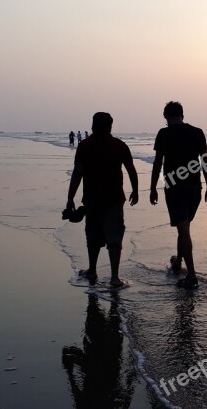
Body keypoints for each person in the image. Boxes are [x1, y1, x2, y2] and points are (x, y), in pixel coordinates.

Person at [67, 113, 139, 288]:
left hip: (92, 199)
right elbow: (131, 170)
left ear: (92, 126)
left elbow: (78, 173)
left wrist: (70, 198)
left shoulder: (85, 146)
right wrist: (135, 191)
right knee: (114, 238)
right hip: (114, 199)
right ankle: (114, 277)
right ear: (110, 127)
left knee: (93, 236)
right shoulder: (119, 145)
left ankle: (92, 270)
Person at [150, 101, 207, 289]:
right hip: (195, 188)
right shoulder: (197, 132)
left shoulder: (164, 133)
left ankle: (192, 276)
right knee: (183, 226)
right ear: (182, 115)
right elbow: (205, 162)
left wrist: (153, 187)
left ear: (166, 117)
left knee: (183, 229)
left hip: (175, 187)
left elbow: (158, 163)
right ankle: (178, 262)